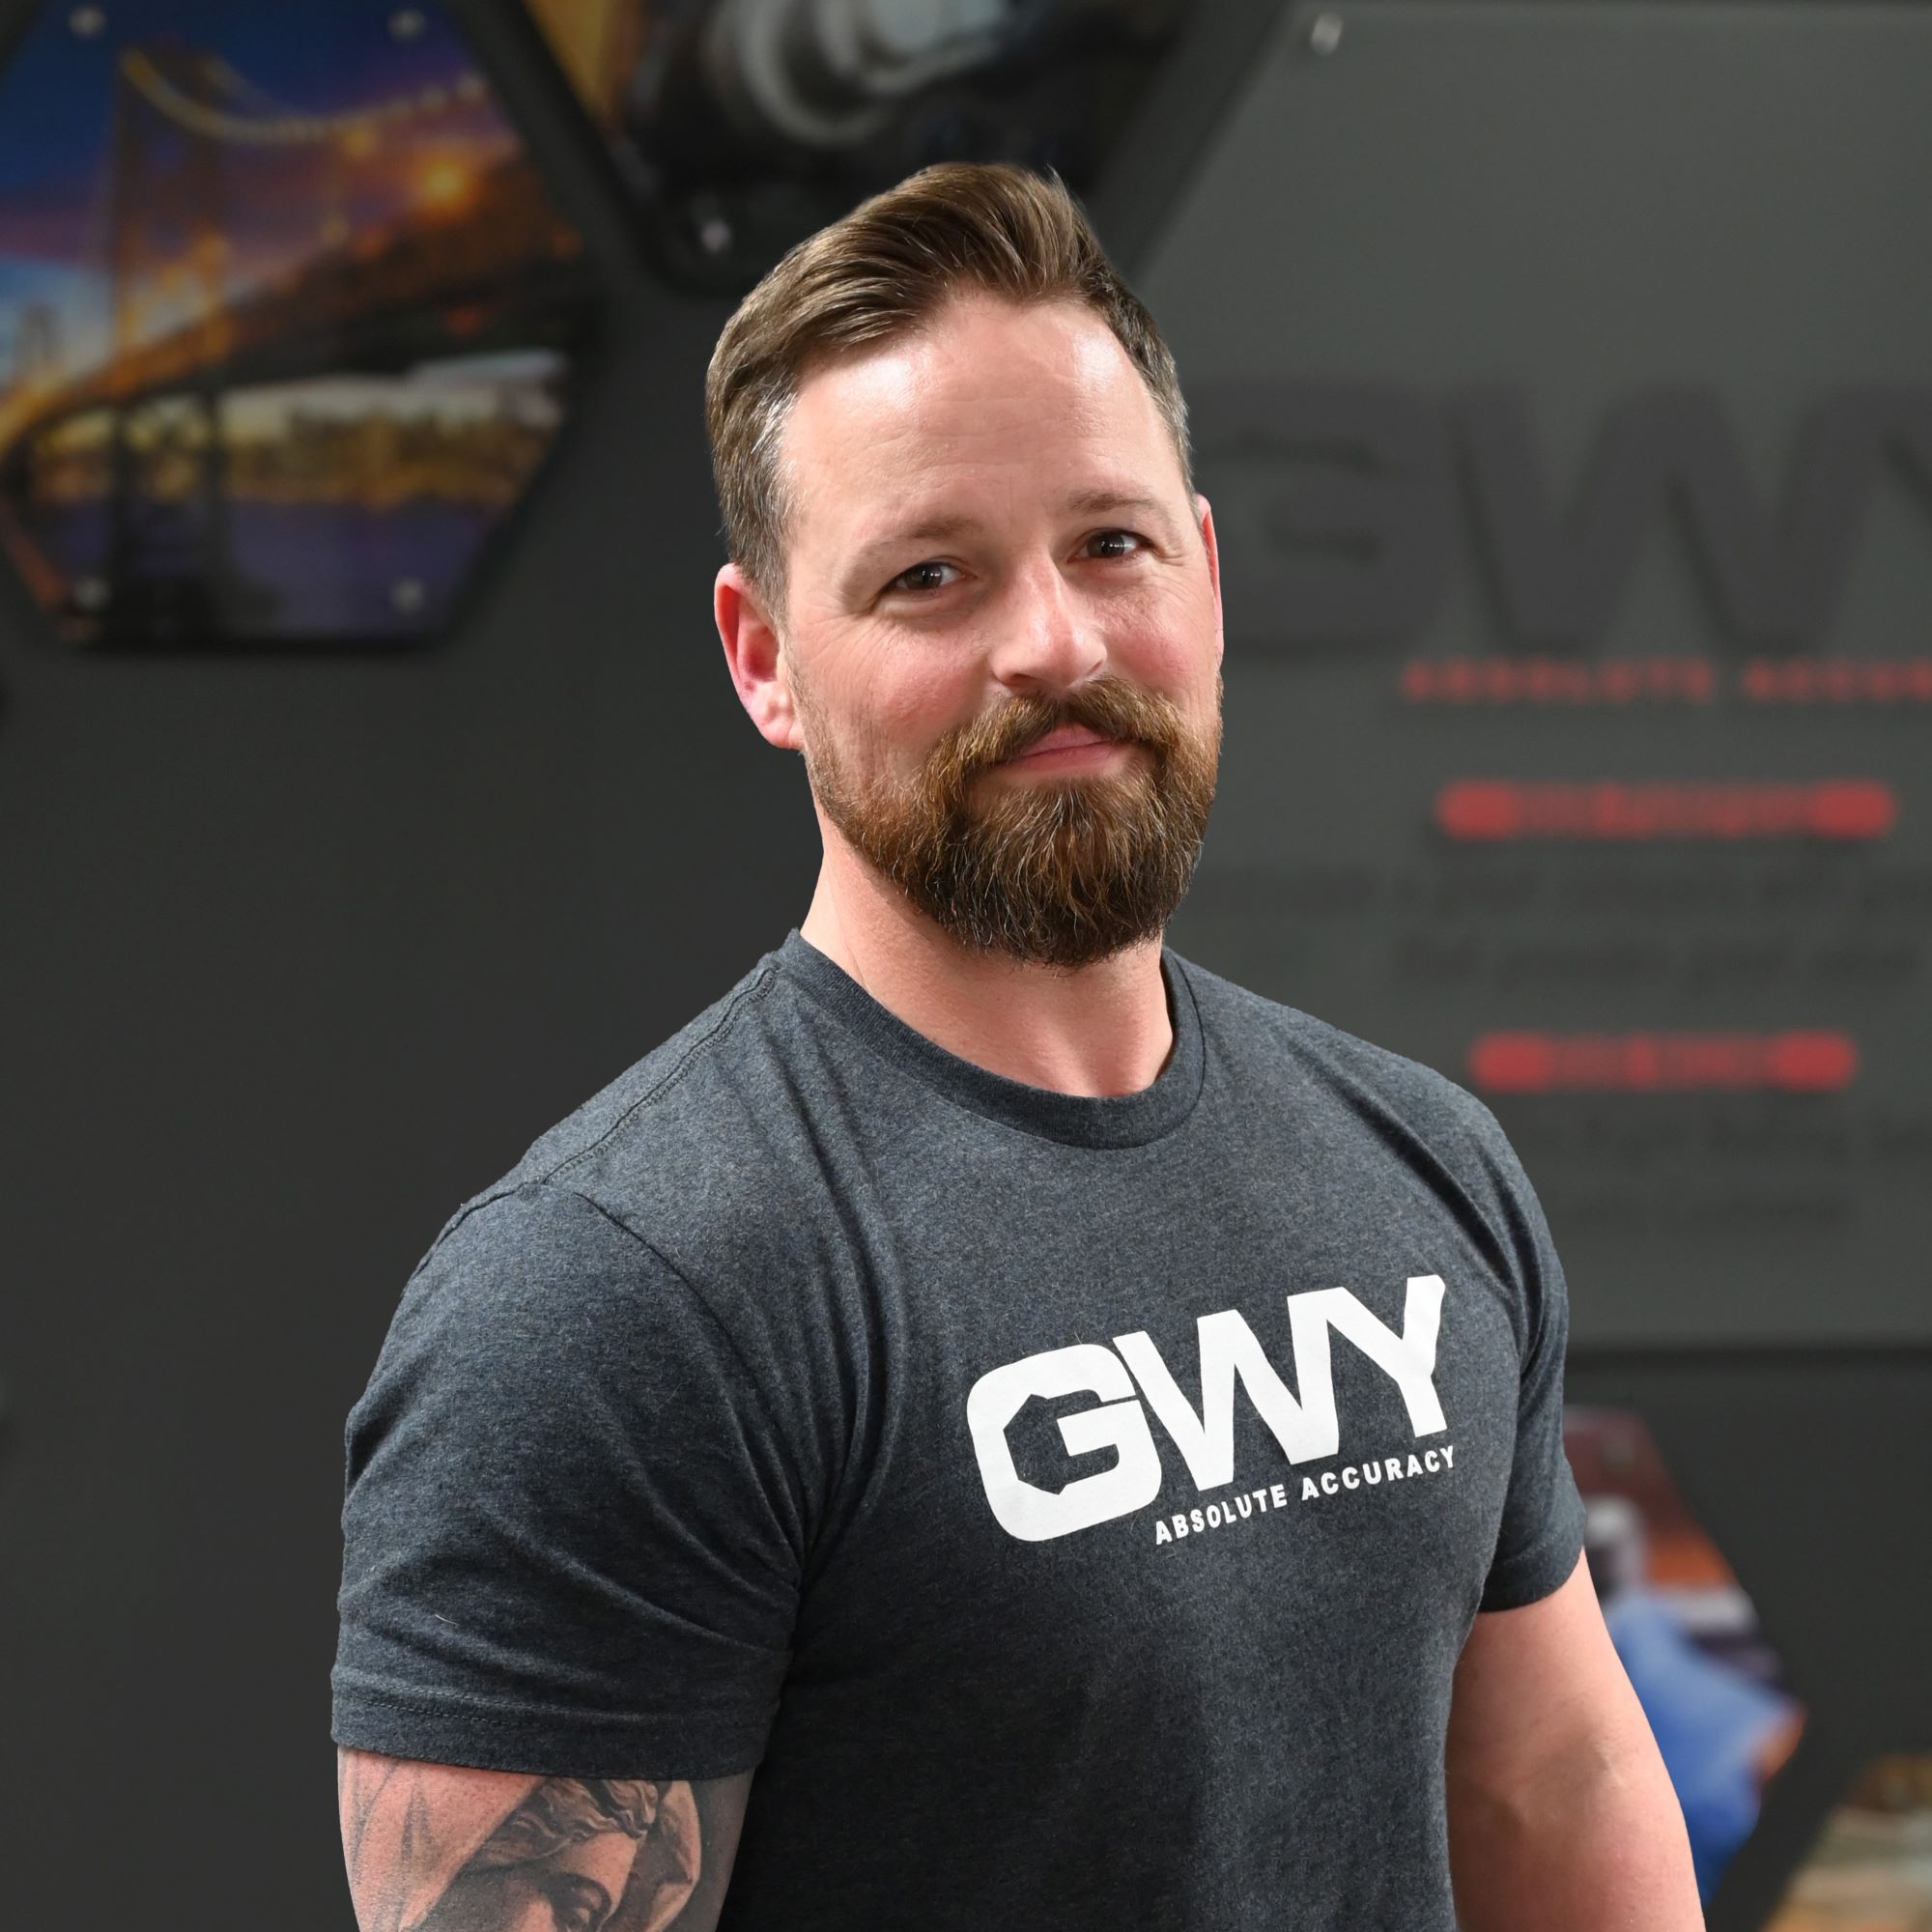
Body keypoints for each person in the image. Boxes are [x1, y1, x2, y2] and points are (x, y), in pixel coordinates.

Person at [333, 161, 1702, 1930]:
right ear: (764, 657)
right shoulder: (613, 1300)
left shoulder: (1420, 1165)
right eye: (931, 576)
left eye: (1110, 545)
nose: (1053, 643)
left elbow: (1554, 1784)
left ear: (1206, 577)